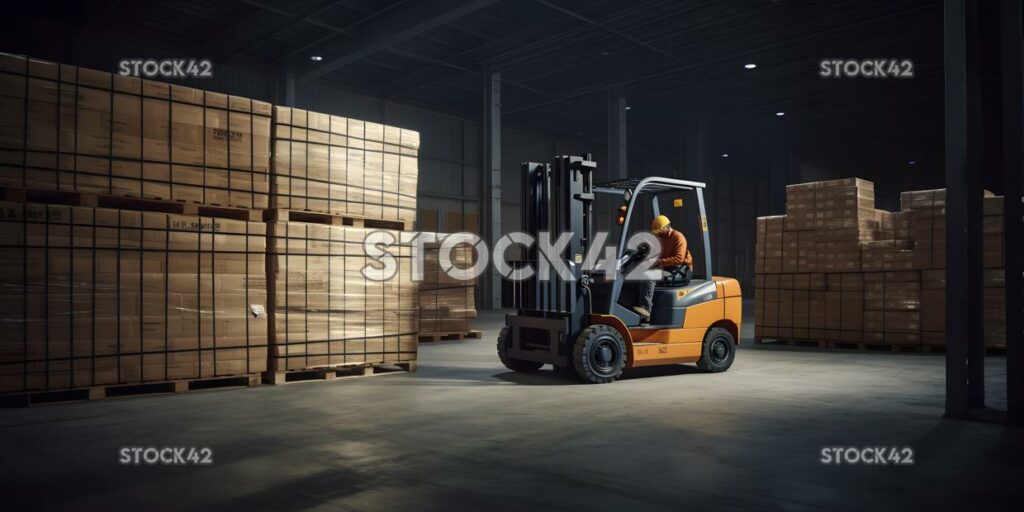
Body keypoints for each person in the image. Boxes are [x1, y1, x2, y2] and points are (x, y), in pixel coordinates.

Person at [633, 215, 692, 321]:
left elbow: (679, 259)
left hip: (681, 270)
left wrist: (658, 262)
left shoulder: (678, 237)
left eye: (659, 231)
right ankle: (637, 307)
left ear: (666, 227)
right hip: (669, 268)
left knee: (649, 277)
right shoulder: (662, 238)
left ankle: (646, 310)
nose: (657, 234)